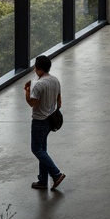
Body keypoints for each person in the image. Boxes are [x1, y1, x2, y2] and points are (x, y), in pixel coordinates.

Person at [24, 54, 64, 191]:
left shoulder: (39, 85)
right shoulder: (55, 80)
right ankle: (42, 180)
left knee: (36, 149)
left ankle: (56, 174)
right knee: (43, 150)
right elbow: (59, 102)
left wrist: (27, 90)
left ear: (38, 68)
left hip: (39, 121)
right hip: (50, 120)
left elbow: (32, 103)